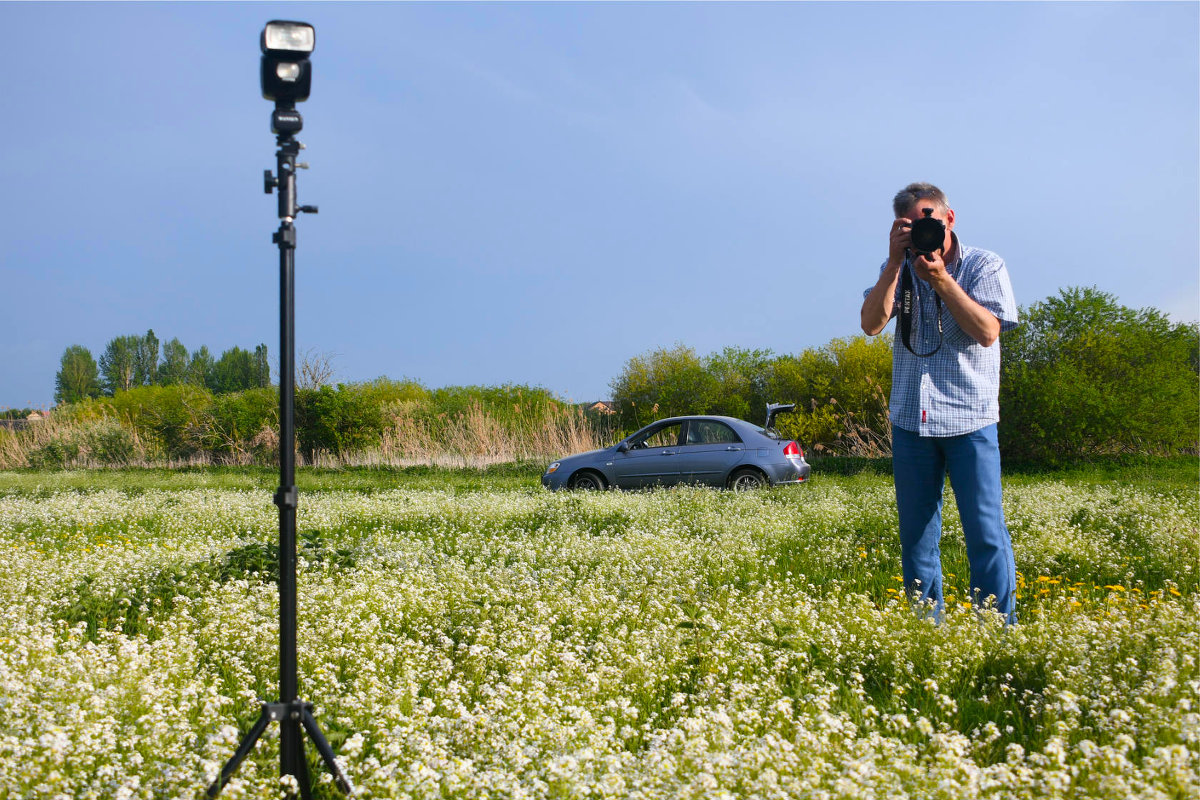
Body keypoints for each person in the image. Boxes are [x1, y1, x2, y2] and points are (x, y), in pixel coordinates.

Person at [860, 182, 1019, 622]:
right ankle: (927, 631)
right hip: (912, 419)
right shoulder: (898, 266)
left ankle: (995, 630)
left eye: (929, 217)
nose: (923, 229)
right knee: (916, 537)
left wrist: (943, 281)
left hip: (971, 419)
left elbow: (988, 331)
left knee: (986, 533)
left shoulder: (984, 264)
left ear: (949, 217)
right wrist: (895, 263)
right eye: (912, 223)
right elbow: (871, 324)